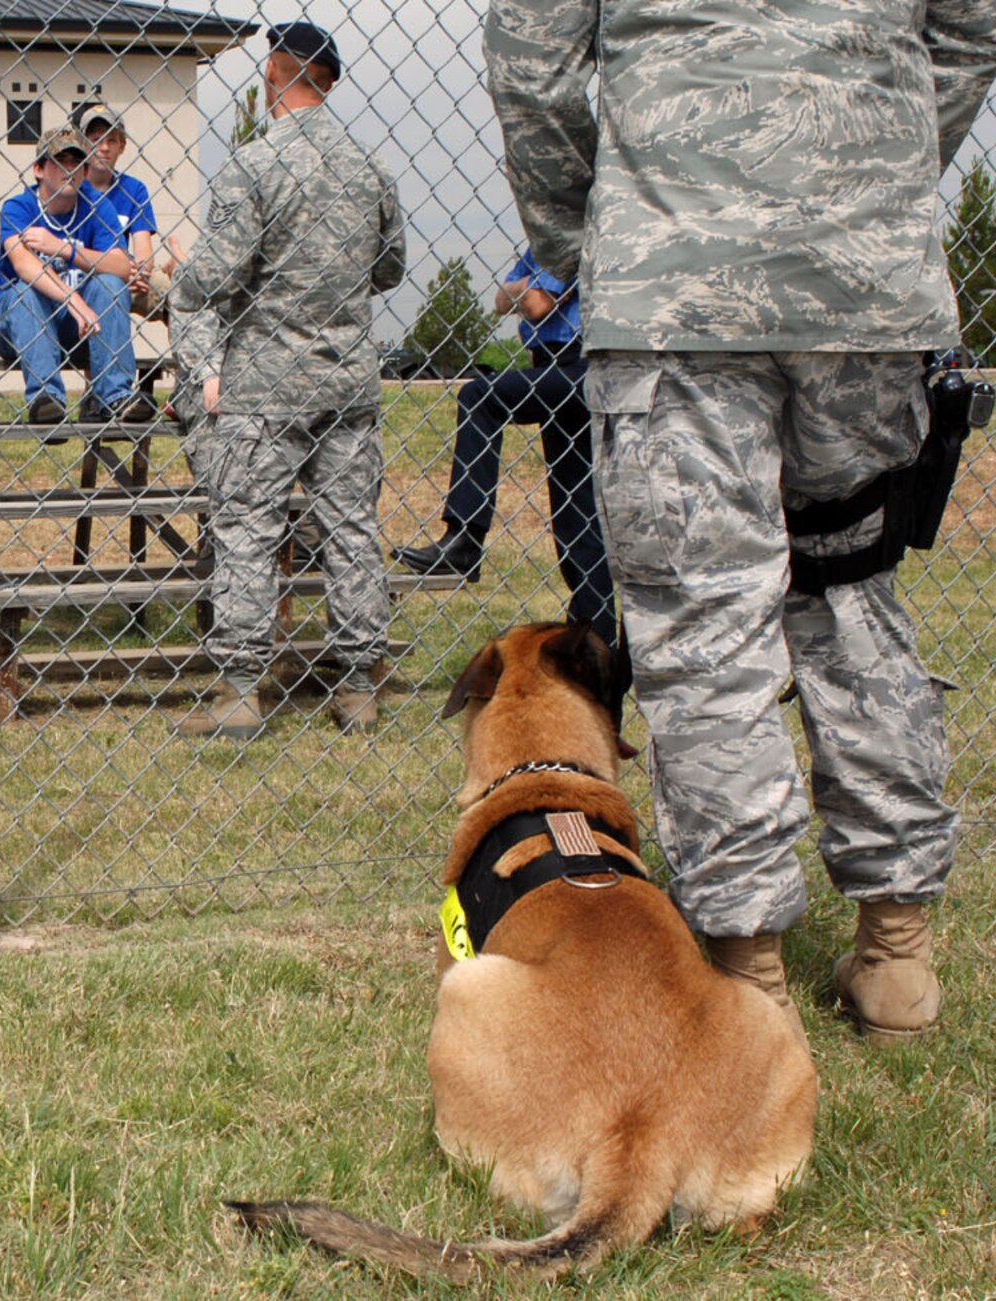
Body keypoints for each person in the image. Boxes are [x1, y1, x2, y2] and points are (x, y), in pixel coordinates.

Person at [486, 0, 996, 1036]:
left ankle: (747, 975)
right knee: (850, 588)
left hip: (677, 289)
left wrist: (578, 237)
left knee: (703, 628)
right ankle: (895, 952)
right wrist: (868, 180)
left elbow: (530, 65)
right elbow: (970, 29)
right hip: (864, 293)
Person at [170, 20, 405, 740]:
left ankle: (242, 690)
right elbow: (389, 270)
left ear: (275, 71)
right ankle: (359, 684)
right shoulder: (369, 170)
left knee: (247, 527)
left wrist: (182, 289)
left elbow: (211, 277)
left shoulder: (254, 166)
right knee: (352, 529)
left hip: (266, 382)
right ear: (328, 80)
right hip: (345, 379)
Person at [393, 248, 614, 645]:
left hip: (583, 363)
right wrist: (522, 291)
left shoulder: (567, 229)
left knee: (481, 397)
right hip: (549, 363)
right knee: (574, 515)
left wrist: (522, 291)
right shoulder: (538, 243)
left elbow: (534, 302)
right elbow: (501, 302)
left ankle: (464, 539)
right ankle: (593, 640)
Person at [0, 126, 151, 426]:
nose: (70, 169)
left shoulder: (96, 205)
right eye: (60, 161)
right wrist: (73, 298)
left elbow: (122, 266)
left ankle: (116, 397)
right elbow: (23, 265)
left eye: (78, 162)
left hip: (81, 326)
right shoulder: (18, 207)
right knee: (24, 293)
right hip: (22, 328)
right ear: (39, 169)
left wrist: (62, 248)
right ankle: (46, 399)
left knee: (109, 284)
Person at [72, 102, 180, 320]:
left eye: (112, 140)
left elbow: (143, 250)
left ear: (122, 146)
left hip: (123, 277)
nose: (104, 147)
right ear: (82, 145)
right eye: (96, 140)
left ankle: (191, 351)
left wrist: (139, 271)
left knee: (176, 291)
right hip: (77, 275)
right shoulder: (70, 186)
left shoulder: (133, 190)